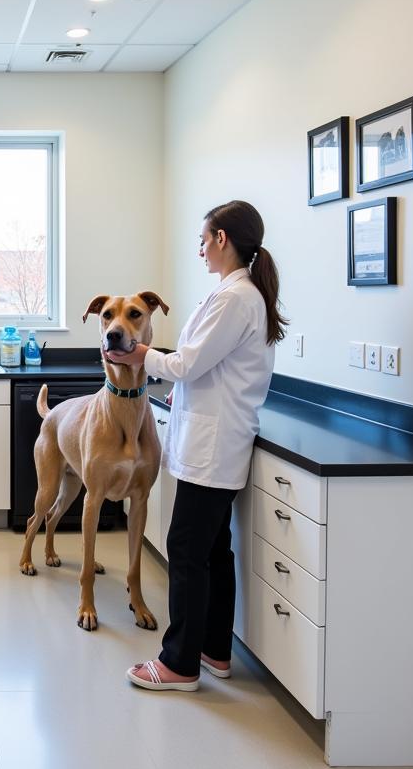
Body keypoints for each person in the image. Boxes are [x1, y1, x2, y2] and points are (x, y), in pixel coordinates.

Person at [106, 200, 286, 692]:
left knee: (186, 549)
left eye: (204, 240)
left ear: (222, 239)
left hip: (214, 446)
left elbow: (187, 364)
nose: (201, 249)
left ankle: (179, 664)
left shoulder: (235, 298)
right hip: (216, 440)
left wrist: (140, 353)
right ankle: (214, 650)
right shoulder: (236, 294)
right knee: (213, 550)